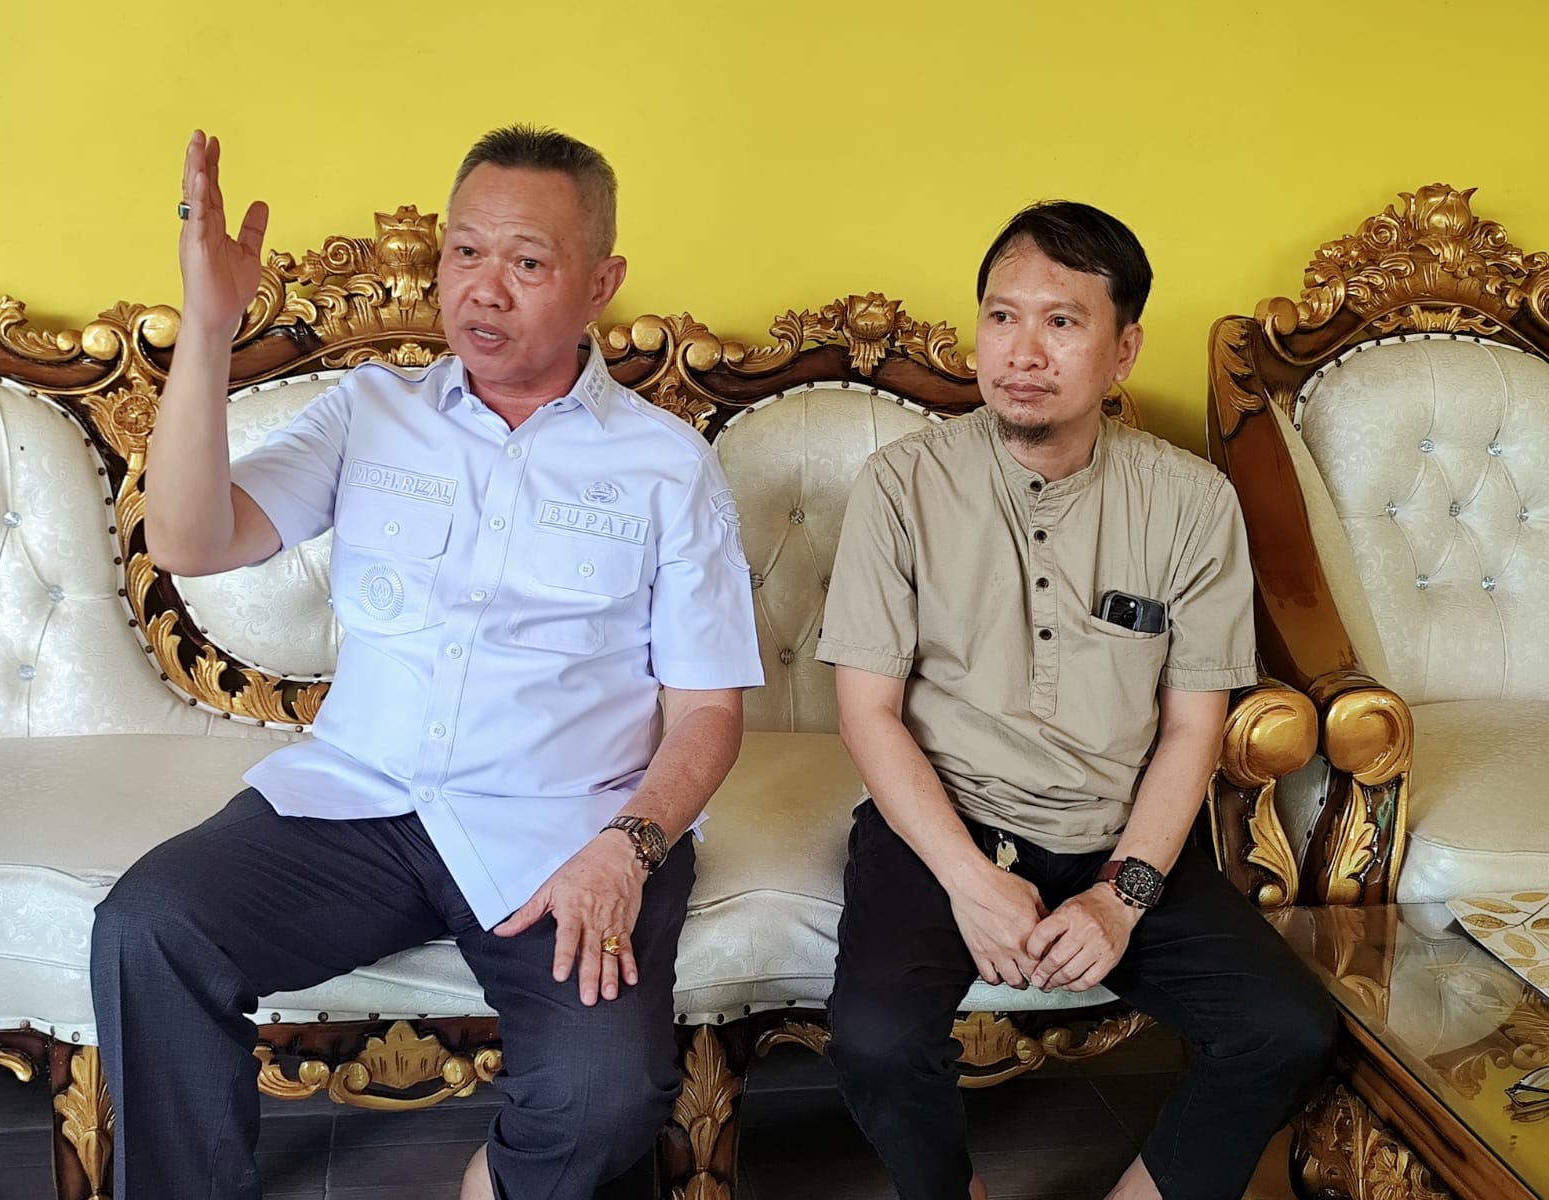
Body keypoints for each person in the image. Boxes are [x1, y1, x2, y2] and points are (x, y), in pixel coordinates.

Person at [90, 124, 762, 1200]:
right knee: (149, 928)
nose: (483, 289)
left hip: (563, 830)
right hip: (360, 803)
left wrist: (629, 849)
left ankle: (494, 1184)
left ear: (600, 284)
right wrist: (208, 326)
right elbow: (186, 539)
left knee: (603, 1095)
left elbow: (707, 714)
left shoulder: (666, 467)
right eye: (465, 251)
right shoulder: (369, 411)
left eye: (527, 261)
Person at [816, 201, 1336, 1200]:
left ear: (1122, 349)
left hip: (1115, 833)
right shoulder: (902, 485)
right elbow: (866, 713)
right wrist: (971, 883)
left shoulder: (1191, 501)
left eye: (1061, 322)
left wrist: (1119, 894)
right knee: (876, 1041)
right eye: (1001, 317)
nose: (1023, 352)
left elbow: (1193, 726)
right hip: (947, 823)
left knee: (1285, 1027)